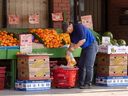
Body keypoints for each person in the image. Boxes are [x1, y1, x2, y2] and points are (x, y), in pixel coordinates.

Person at [63, 22, 98, 89]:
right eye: (67, 32)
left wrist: (74, 48)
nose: (68, 32)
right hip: (85, 48)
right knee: (81, 65)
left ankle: (88, 84)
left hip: (91, 46)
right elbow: (72, 43)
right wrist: (68, 51)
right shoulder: (71, 33)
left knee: (88, 66)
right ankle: (81, 83)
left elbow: (82, 40)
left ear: (70, 25)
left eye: (67, 30)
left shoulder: (78, 27)